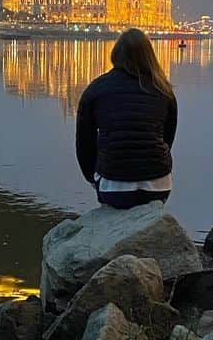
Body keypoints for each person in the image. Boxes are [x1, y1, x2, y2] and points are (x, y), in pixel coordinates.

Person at [76, 28, 177, 209]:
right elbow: (167, 139)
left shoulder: (96, 89)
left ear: (115, 54)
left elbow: (84, 143)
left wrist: (92, 177)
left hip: (114, 189)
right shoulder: (164, 90)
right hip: (159, 187)